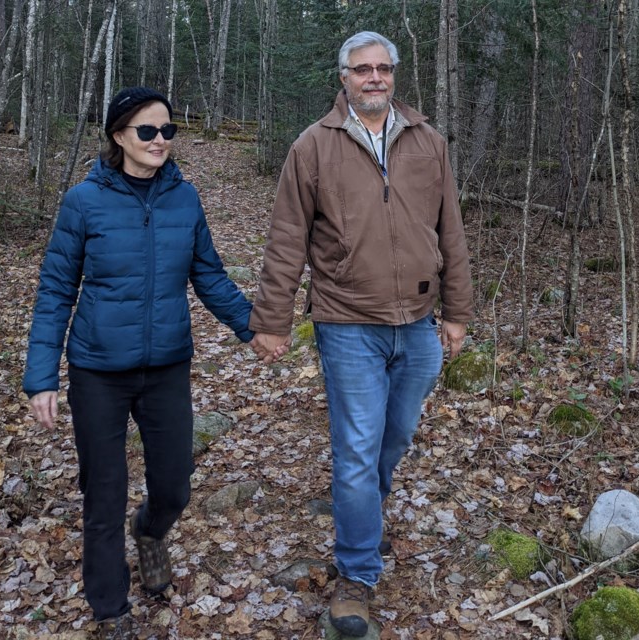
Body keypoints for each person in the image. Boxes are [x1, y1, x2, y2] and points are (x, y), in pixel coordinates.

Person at [23, 87, 276, 638]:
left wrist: (251, 327)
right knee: (104, 493)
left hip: (165, 367)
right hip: (97, 371)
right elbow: (55, 292)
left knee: (174, 486)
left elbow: (207, 273)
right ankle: (110, 609)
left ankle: (151, 531)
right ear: (119, 136)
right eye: (147, 131)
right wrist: (41, 376)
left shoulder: (183, 198)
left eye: (167, 131)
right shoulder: (83, 203)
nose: (160, 140)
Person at [249, 31, 474, 636]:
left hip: (420, 325)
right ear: (343, 77)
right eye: (361, 69)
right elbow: (287, 237)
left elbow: (450, 230)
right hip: (347, 322)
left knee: (391, 441)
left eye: (382, 68)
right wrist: (271, 320)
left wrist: (458, 311)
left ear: (394, 75)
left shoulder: (428, 142)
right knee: (355, 450)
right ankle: (356, 574)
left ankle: (361, 514)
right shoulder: (313, 146)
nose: (373, 78)